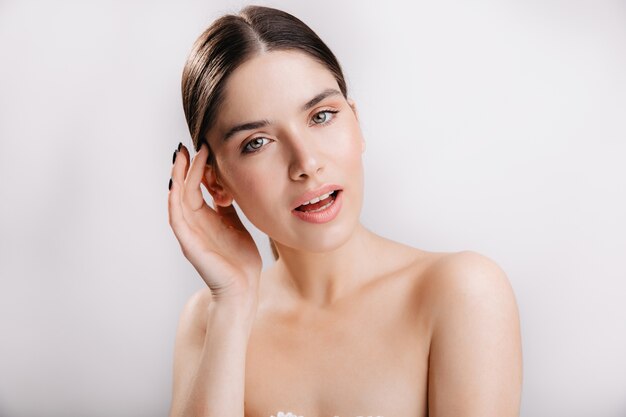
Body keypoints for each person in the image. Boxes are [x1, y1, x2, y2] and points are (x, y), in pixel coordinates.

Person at [167, 5, 522, 417]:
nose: (306, 163)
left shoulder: (462, 291)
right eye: (257, 142)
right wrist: (232, 301)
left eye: (321, 116)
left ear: (356, 121)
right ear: (214, 182)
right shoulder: (208, 321)